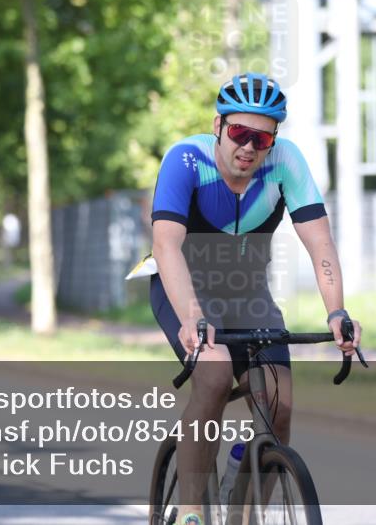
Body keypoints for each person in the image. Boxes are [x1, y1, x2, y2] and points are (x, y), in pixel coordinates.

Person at [148, 73, 362, 525]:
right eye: (239, 132)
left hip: (247, 294)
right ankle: (191, 512)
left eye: (261, 138)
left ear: (273, 140)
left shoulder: (286, 162)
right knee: (214, 375)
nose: (248, 147)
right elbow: (166, 245)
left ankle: (243, 514)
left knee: (278, 406)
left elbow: (320, 243)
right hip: (184, 287)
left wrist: (337, 311)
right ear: (218, 126)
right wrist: (192, 317)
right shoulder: (186, 160)